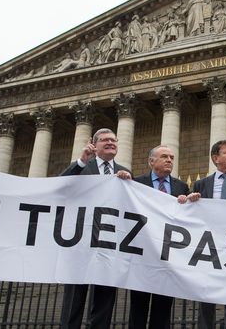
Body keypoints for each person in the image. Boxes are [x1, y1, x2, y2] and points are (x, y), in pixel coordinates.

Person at [58, 128, 132, 329]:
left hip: (109, 243)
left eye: (113, 140)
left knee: (104, 301)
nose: (110, 143)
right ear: (94, 144)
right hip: (81, 241)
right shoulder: (84, 167)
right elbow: (62, 185)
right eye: (105, 140)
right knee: (74, 299)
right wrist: (81, 160)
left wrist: (130, 184)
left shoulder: (125, 172)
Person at [178, 140, 226, 329]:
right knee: (206, 296)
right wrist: (191, 199)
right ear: (215, 158)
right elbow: (191, 214)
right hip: (209, 245)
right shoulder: (202, 184)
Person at [130, 145, 191, 329]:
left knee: (163, 310)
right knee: (137, 309)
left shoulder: (181, 186)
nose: (169, 160)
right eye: (164, 156)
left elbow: (190, 219)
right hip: (143, 256)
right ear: (151, 161)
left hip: (168, 257)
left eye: (172, 157)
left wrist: (191, 200)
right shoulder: (137, 183)